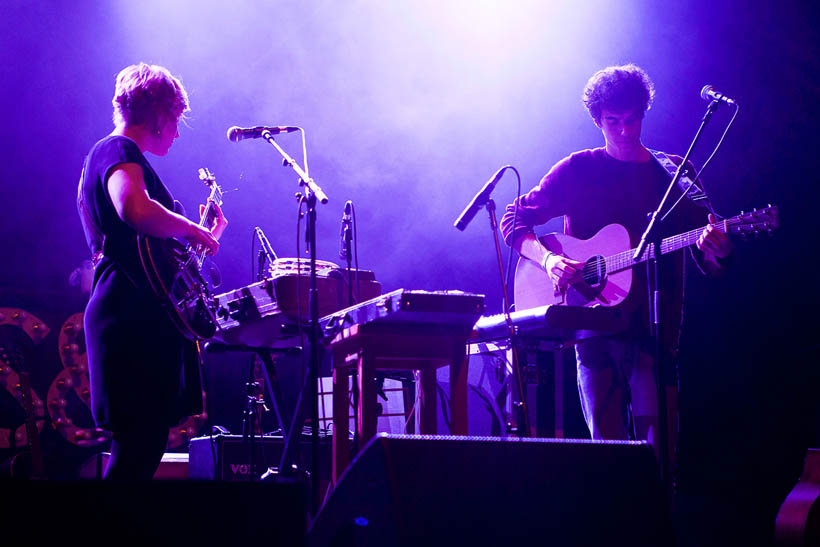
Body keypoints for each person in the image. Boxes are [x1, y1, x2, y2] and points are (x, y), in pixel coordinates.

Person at [500, 64, 732, 456]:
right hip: (592, 326)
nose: (625, 131)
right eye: (613, 122)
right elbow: (513, 219)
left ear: (643, 114)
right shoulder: (578, 169)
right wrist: (549, 261)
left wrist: (718, 250)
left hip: (653, 332)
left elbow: (708, 254)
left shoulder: (675, 171)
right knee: (606, 458)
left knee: (659, 459)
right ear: (596, 120)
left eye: (632, 119)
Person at [77, 63, 227, 479]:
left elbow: (159, 265)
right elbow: (134, 209)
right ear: (159, 115)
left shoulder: (119, 157)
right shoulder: (117, 151)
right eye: (175, 120)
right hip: (128, 316)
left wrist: (201, 236)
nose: (177, 132)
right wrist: (192, 227)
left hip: (138, 313)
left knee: (141, 449)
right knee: (136, 451)